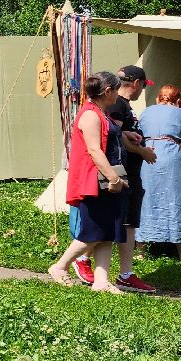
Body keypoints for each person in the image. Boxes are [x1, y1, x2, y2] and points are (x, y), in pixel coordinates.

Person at [76, 66, 158, 293]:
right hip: (120, 172)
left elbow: (116, 134)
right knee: (111, 225)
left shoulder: (114, 107)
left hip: (123, 172)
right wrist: (143, 152)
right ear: (137, 83)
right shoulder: (115, 106)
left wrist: (127, 136)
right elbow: (107, 143)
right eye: (143, 85)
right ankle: (75, 262)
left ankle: (116, 275)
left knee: (119, 225)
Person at [48, 72, 129, 293]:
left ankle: (101, 281)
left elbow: (109, 138)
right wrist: (113, 177)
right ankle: (60, 266)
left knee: (106, 234)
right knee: (92, 233)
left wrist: (126, 136)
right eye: (117, 89)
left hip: (106, 181)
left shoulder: (102, 113)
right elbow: (94, 149)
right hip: (96, 182)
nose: (119, 93)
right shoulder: (90, 115)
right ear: (108, 91)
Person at [134, 85, 181, 260]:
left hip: (147, 157)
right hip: (171, 160)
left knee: (146, 200)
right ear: (178, 101)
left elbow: (140, 133)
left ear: (158, 99)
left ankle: (141, 252)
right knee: (178, 200)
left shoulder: (146, 112)